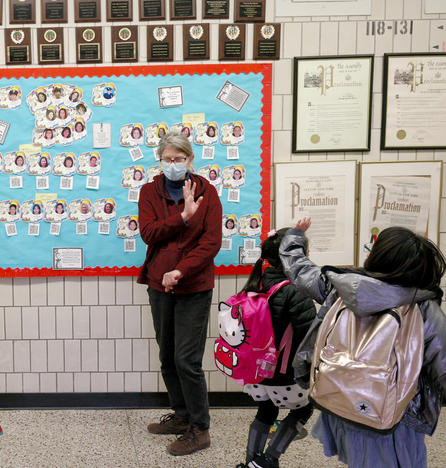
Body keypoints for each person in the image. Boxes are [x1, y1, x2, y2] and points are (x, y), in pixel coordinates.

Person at [280, 221, 446, 468]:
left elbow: (299, 269)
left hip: (340, 397)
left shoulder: (342, 286)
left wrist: (295, 237)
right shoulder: (422, 308)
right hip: (393, 416)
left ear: (378, 257)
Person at [138, 131, 223, 456]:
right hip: (159, 285)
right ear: (160, 160)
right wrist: (183, 217)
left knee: (187, 360)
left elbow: (210, 243)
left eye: (179, 159)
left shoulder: (207, 192)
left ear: (190, 159)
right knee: (167, 355)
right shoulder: (149, 191)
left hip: (193, 286)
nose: (173, 165)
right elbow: (149, 233)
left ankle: (200, 429)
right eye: (168, 159)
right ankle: (182, 415)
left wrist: (181, 270)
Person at [234, 229, 316, 468]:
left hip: (256, 376)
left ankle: (251, 461)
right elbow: (309, 337)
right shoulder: (295, 290)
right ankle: (268, 460)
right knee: (303, 410)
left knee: (266, 411)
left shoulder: (253, 284)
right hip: (285, 376)